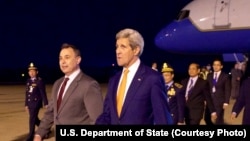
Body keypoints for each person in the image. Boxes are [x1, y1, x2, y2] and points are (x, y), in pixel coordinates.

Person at [96, 28, 173, 124]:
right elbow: (107, 115)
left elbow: (163, 119)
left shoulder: (152, 78)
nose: (117, 51)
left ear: (136, 50)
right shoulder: (114, 80)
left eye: (123, 47)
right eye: (117, 47)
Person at [33, 43, 104, 141]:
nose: (63, 62)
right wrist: (39, 134)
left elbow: (98, 120)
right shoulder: (57, 84)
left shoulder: (88, 85)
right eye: (60, 58)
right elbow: (51, 112)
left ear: (78, 60)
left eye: (67, 57)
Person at [25, 62, 48, 141]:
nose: (31, 73)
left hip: (36, 103)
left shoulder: (39, 81)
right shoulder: (28, 81)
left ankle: (30, 136)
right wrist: (26, 104)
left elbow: (43, 92)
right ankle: (45, 130)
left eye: (33, 71)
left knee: (32, 119)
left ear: (36, 72)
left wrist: (46, 103)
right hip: (30, 103)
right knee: (35, 119)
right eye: (30, 71)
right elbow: (27, 93)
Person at [205, 59, 231, 125]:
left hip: (220, 101)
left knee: (218, 119)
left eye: (218, 65)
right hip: (210, 101)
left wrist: (226, 102)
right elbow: (207, 88)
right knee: (207, 118)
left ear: (221, 66)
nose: (216, 66)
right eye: (214, 65)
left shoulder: (225, 76)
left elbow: (227, 89)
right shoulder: (209, 75)